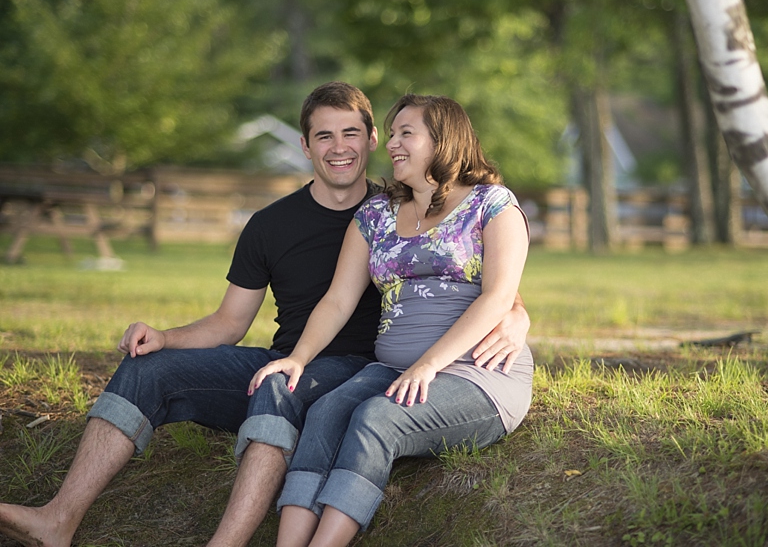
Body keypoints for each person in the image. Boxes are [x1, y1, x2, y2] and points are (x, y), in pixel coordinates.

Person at [0, 82, 529, 547]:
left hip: (361, 367)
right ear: (305, 146)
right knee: (150, 369)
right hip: (299, 358)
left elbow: (476, 279)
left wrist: (518, 315)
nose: (339, 147)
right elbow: (232, 322)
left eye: (352, 133)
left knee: (284, 389)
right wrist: (164, 336)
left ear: (369, 140)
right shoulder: (297, 223)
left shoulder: (430, 204)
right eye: (324, 136)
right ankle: (57, 519)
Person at [248, 93, 533, 546]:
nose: (393, 144)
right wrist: (298, 358)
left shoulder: (492, 205)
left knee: (376, 418)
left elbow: (498, 297)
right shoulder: (375, 215)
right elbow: (338, 300)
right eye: (393, 133)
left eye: (406, 134)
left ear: (443, 140)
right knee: (324, 413)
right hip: (393, 369)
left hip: (476, 373)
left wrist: (428, 364)